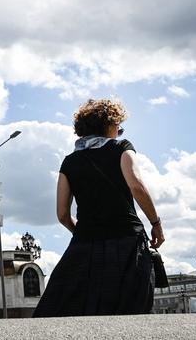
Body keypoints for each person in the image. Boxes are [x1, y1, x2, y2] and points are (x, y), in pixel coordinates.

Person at [33, 99, 164, 317]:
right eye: (118, 127)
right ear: (109, 125)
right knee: (130, 310)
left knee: (70, 308)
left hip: (84, 246)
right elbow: (137, 186)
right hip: (127, 242)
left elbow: (62, 214)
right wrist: (156, 224)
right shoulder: (121, 147)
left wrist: (83, 233)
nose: (119, 132)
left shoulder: (69, 162)